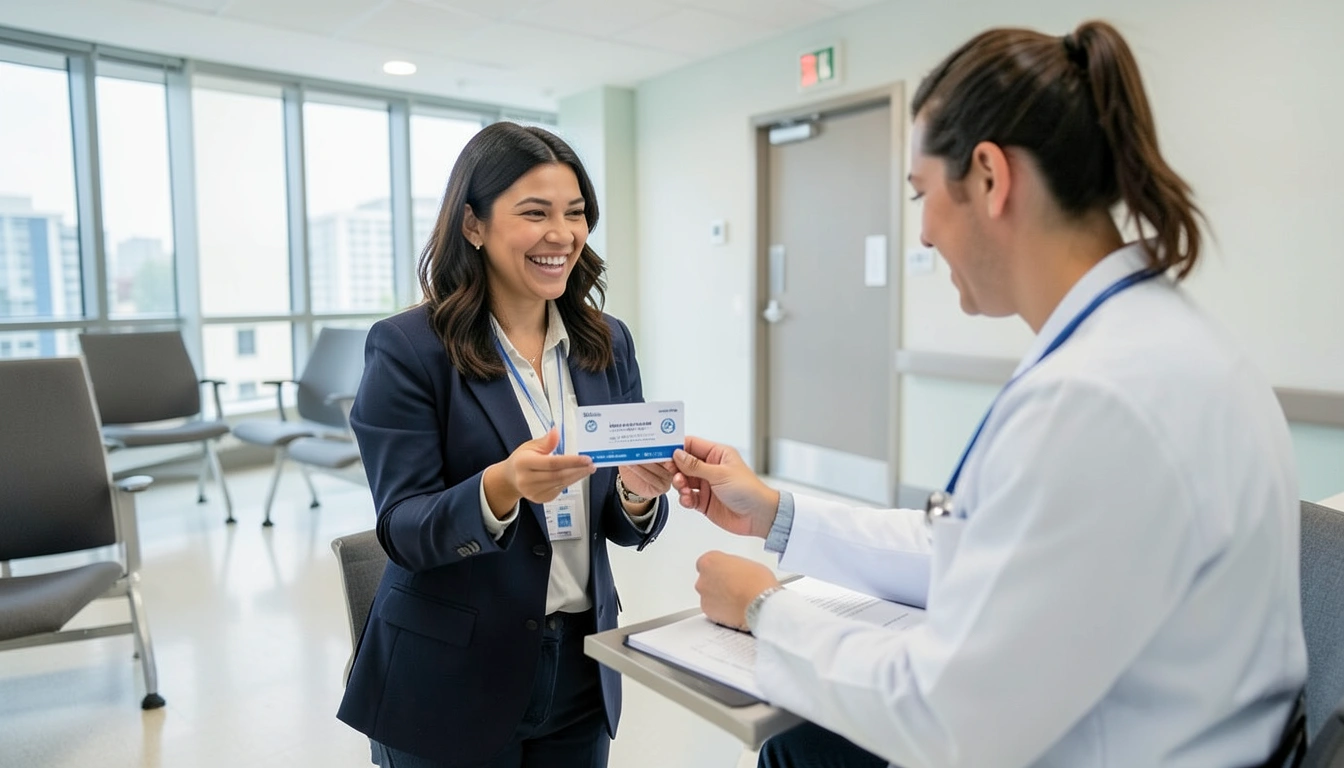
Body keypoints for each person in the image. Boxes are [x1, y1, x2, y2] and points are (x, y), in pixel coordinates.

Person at [672, 20, 1306, 768]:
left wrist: (765, 608)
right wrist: (775, 512)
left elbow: (948, 718)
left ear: (989, 177)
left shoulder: (1100, 400)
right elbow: (971, 552)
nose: (924, 234)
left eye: (922, 194)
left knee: (795, 749)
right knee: (806, 746)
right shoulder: (1149, 344)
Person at [338, 121, 673, 768]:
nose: (562, 234)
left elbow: (618, 518)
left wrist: (636, 493)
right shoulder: (408, 349)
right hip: (448, 679)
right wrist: (501, 488)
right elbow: (402, 530)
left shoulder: (607, 342)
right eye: (535, 213)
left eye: (575, 213)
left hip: (581, 667)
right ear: (473, 224)